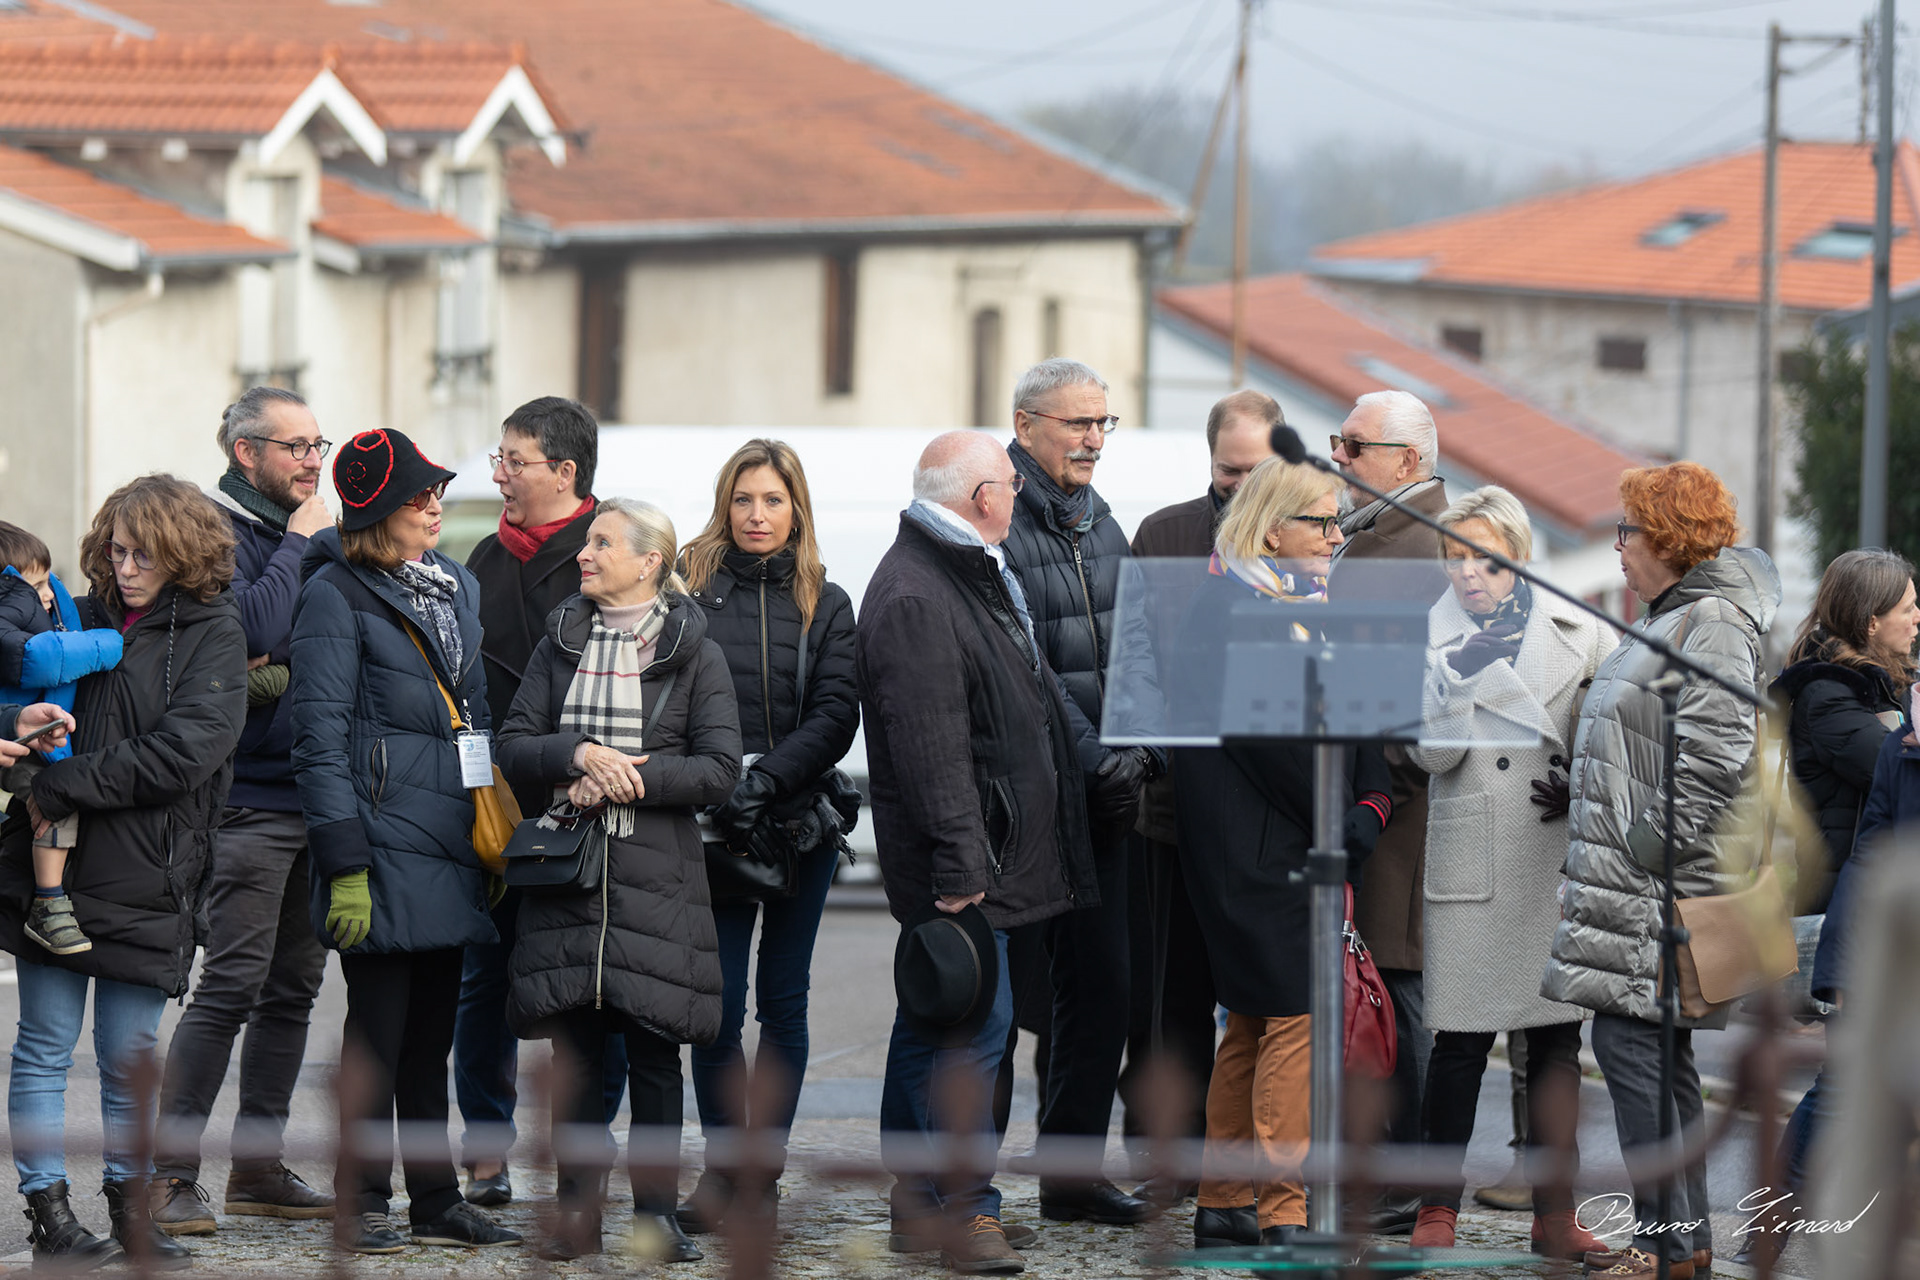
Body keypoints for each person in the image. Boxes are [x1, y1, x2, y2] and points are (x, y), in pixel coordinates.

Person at [860, 430, 1097, 1275]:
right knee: (969, 1035)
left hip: (987, 857)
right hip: (970, 869)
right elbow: (931, 749)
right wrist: (962, 869)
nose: (1020, 495)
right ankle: (965, 1211)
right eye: (1007, 481)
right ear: (980, 496)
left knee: (934, 1026)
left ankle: (920, 1204)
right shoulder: (922, 591)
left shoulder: (961, 567)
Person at [0, 475, 248, 1270]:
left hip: (152, 876)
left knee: (127, 1055)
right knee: (42, 1045)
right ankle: (51, 1220)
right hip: (57, 872)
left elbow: (184, 753)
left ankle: (131, 1213)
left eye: (144, 553)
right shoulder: (79, 613)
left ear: (183, 552)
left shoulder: (214, 632)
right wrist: (15, 732)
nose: (126, 566)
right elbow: (17, 688)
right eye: (117, 549)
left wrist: (59, 783)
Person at [1542, 461, 1779, 1280]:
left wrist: (1645, 844)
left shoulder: (1707, 621)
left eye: (1629, 530)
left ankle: (1662, 1244)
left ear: (1669, 539)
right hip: (1627, 883)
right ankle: (1684, 1246)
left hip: (1651, 887)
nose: (1617, 544)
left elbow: (1714, 756)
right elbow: (1641, 745)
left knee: (1636, 1055)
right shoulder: (1672, 618)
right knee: (1657, 1062)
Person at [289, 429, 520, 1254]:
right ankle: (361, 1202)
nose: (435, 505)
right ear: (377, 510)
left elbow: (477, 716)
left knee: (432, 1038)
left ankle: (435, 1199)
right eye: (419, 495)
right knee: (377, 1039)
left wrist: (488, 831)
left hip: (453, 838)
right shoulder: (335, 594)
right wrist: (343, 860)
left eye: (436, 492)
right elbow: (316, 739)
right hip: (380, 844)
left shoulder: (454, 586)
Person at [495, 498, 741, 1264]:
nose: (585, 554)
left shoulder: (695, 651)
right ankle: (574, 1218)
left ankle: (656, 1219)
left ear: (649, 564)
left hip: (655, 883)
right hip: (567, 879)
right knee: (574, 1061)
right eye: (588, 542)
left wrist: (633, 775)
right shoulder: (559, 641)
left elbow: (720, 770)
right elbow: (514, 742)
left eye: (603, 543)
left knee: (655, 1056)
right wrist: (577, 756)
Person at [1177, 456, 1392, 1249]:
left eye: (1339, 522)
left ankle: (1225, 1200)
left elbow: (1358, 714)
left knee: (1256, 1025)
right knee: (1294, 1018)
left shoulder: (1300, 602)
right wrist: (1342, 814)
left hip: (1296, 839)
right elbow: (1275, 744)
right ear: (1272, 528)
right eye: (1323, 522)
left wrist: (1372, 801)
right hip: (1256, 852)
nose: (1337, 537)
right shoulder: (1232, 606)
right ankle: (1284, 1213)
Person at [1400, 486, 1612, 1259]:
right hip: (1476, 855)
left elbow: (1611, 736)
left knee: (1557, 1047)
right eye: (1453, 558)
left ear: (1518, 557)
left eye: (1482, 559)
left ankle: (1557, 1217)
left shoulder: (1581, 629)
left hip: (1549, 858)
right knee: (1458, 1046)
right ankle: (1436, 1211)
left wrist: (1582, 784)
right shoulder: (1433, 635)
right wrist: (1461, 672)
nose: (1467, 574)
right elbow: (1430, 756)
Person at [150, 388, 336, 1234]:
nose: (311, 460)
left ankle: (258, 1167)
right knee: (227, 987)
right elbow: (254, 627)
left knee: (293, 990)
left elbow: (306, 650)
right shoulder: (213, 533)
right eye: (294, 446)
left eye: (317, 444)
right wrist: (297, 549)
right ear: (244, 451)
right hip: (247, 804)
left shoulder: (309, 541)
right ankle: (170, 1178)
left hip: (315, 797)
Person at [675, 439, 860, 1233]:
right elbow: (665, 695)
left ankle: (765, 1174)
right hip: (708, 827)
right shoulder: (688, 590)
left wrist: (766, 782)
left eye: (773, 501)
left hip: (798, 824)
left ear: (797, 509)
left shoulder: (827, 598)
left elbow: (835, 713)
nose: (758, 515)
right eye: (745, 499)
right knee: (714, 1008)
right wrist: (720, 786)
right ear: (727, 504)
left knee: (784, 1003)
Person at [998, 358, 1159, 1228]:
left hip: (1107, 798)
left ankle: (1070, 1177)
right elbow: (1024, 665)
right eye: (1077, 425)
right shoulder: (996, 517)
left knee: (1105, 992)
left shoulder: (1105, 524)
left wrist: (1135, 755)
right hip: (1029, 799)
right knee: (997, 1005)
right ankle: (963, 1192)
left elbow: (1139, 648)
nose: (1094, 440)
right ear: (1026, 426)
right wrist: (1097, 756)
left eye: (1104, 424)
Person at [1118, 389, 1276, 1202]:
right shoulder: (1165, 535)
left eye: (1255, 472)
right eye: (1227, 470)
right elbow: (1135, 664)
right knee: (1171, 998)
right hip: (1175, 812)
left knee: (1261, 1003)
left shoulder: (1310, 533)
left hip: (1269, 820)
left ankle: (1250, 1161)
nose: (1239, 488)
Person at [1743, 549, 1917, 1268]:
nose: (1918, 620)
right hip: (1850, 909)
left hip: (1880, 909)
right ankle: (1778, 1219)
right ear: (1871, 619)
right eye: (1908, 607)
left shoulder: (1886, 693)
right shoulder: (1828, 697)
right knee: (1847, 1078)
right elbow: (1891, 768)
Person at [455, 395, 603, 1207]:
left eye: (515, 461)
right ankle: (485, 1150)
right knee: (486, 979)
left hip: (587, 802)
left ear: (564, 471)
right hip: (498, 805)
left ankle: (585, 1157)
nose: (502, 476)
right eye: (500, 461)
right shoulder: (482, 557)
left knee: (591, 985)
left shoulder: (610, 547)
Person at [1329, 388, 1448, 1231]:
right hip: (1388, 804)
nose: (1339, 457)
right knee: (1394, 989)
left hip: (1398, 811)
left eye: (1355, 445)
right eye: (1338, 440)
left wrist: (1374, 790)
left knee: (1397, 991)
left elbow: (1400, 704)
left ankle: (1402, 1183)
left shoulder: (1408, 550)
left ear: (1409, 462)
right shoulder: (1388, 539)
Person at [0, 521, 123, 958]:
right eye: (36, 585)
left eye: (49, 580)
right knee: (56, 800)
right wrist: (110, 641)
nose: (51, 594)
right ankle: (49, 902)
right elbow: (46, 661)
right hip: (20, 747)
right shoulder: (16, 635)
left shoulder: (32, 619)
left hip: (26, 730)